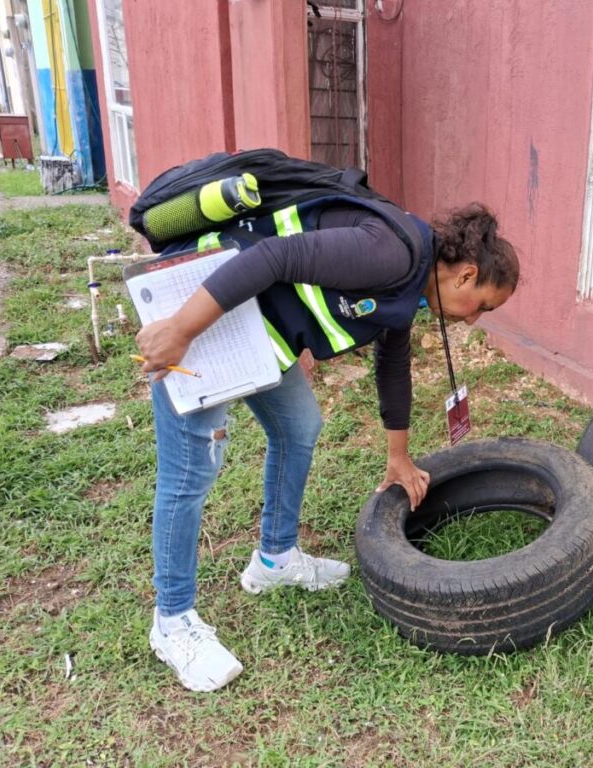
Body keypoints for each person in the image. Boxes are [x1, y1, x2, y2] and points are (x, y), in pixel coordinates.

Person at [135, 199, 519, 692]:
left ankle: (274, 560)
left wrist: (398, 456)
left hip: (257, 325)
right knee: (190, 471)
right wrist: (180, 330)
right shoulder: (391, 254)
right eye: (484, 305)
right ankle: (172, 621)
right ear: (466, 275)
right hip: (202, 307)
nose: (475, 320)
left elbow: (393, 362)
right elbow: (270, 257)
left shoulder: (412, 278)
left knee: (299, 426)